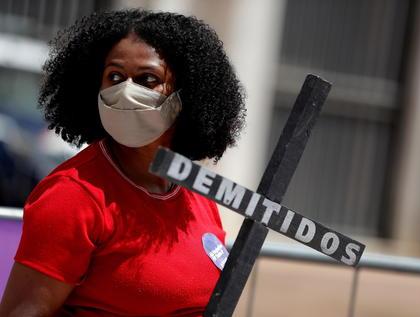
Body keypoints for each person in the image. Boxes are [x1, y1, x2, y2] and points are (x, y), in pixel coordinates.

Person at [0, 9, 245, 317]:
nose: (126, 91)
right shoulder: (73, 196)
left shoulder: (196, 194)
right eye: (114, 77)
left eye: (147, 79)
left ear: (187, 95)